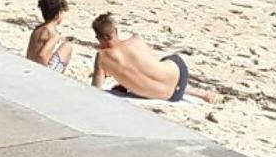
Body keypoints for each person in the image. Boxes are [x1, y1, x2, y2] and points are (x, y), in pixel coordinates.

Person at [90, 13, 218, 104]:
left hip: (170, 97)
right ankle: (198, 92)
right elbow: (151, 65)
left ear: (99, 38)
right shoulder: (136, 40)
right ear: (116, 31)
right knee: (159, 66)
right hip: (180, 74)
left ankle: (194, 92)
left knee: (140, 79)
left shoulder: (101, 57)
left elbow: (95, 91)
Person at [26, 0, 85, 74]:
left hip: (30, 66)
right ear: (58, 14)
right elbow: (42, 55)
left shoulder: (38, 29)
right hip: (42, 71)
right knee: (67, 47)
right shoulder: (53, 34)